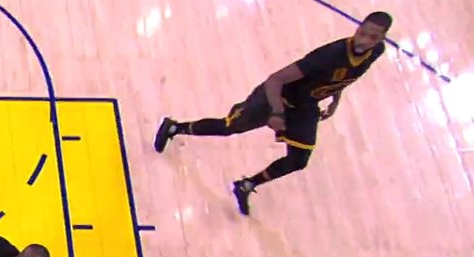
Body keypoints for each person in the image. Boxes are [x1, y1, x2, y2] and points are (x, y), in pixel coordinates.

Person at [153, 11, 394, 216]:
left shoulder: (376, 51)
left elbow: (346, 77)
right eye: (362, 32)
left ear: (382, 38)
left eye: (372, 36)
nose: (364, 39)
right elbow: (275, 80)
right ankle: (175, 127)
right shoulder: (329, 55)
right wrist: (276, 114)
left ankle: (246, 185)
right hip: (274, 98)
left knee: (299, 160)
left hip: (305, 105)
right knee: (230, 127)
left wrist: (335, 99)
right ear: (358, 28)